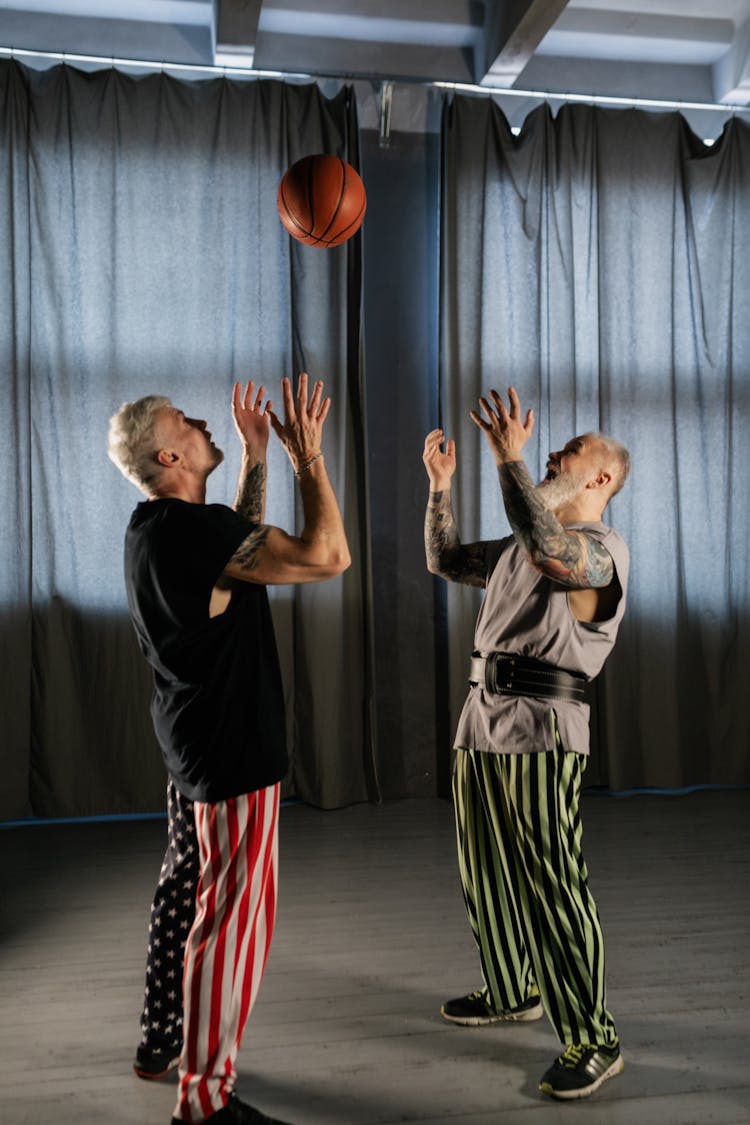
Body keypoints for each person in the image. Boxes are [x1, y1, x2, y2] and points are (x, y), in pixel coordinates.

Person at [108, 374, 350, 1125]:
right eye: (187, 419)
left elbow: (234, 556)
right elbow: (327, 555)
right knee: (231, 925)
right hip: (234, 752)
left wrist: (253, 456)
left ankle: (161, 1041)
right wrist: (307, 456)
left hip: (189, 747)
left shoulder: (155, 527)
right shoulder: (196, 531)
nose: (203, 418)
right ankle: (205, 1099)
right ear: (168, 450)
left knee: (185, 888)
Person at [422, 386, 630, 1102]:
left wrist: (508, 456)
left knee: (553, 881)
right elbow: (446, 560)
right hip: (480, 719)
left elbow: (549, 547)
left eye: (568, 451)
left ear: (600, 479)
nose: (550, 453)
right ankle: (511, 986)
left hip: (543, 726)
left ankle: (594, 1037)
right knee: (483, 868)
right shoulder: (517, 546)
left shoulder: (601, 554)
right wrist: (440, 487)